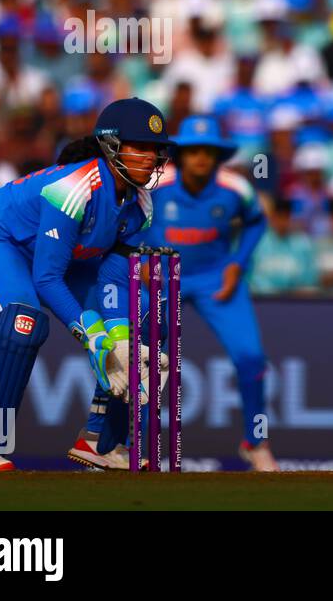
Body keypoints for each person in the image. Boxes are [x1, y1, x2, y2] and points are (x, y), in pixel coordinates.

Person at [0, 98, 173, 471]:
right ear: (111, 145)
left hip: (65, 257)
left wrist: (118, 333)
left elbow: (113, 278)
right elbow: (47, 279)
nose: (151, 157)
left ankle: (100, 442)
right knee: (23, 324)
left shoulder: (142, 205)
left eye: (156, 149)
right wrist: (95, 337)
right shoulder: (74, 188)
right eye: (140, 147)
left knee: (141, 314)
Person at [71, 115, 277, 471]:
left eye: (208, 151)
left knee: (251, 359)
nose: (200, 158)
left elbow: (257, 222)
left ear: (218, 155)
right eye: (193, 151)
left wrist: (236, 263)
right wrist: (137, 261)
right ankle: (126, 447)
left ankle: (254, 443)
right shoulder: (155, 184)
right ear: (181, 153)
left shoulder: (236, 188)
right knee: (141, 361)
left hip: (216, 280)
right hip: (160, 280)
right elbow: (125, 221)